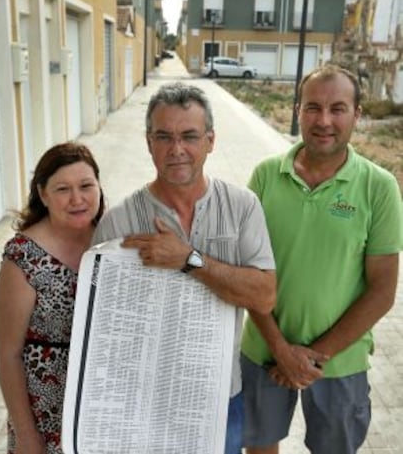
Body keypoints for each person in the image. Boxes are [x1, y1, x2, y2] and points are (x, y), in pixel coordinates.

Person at [92, 81, 277, 454]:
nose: (177, 150)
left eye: (189, 136)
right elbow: (104, 328)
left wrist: (189, 260)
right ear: (148, 142)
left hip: (221, 397)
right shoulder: (119, 223)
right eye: (164, 137)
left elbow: (264, 296)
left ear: (210, 140)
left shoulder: (243, 207)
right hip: (145, 404)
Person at [241, 64, 403, 454]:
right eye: (313, 107)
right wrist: (281, 350)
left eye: (338, 108)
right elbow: (247, 274)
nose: (324, 120)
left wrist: (311, 358)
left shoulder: (379, 187)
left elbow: (382, 291)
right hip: (264, 350)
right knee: (259, 448)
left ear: (357, 115)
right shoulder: (265, 176)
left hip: (340, 361)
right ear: (298, 110)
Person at [0, 142, 104, 454]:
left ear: (99, 186)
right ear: (43, 195)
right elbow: (8, 354)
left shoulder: (113, 241)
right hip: (44, 416)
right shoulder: (23, 256)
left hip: (101, 409)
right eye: (62, 189)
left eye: (86, 185)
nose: (77, 199)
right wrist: (28, 438)